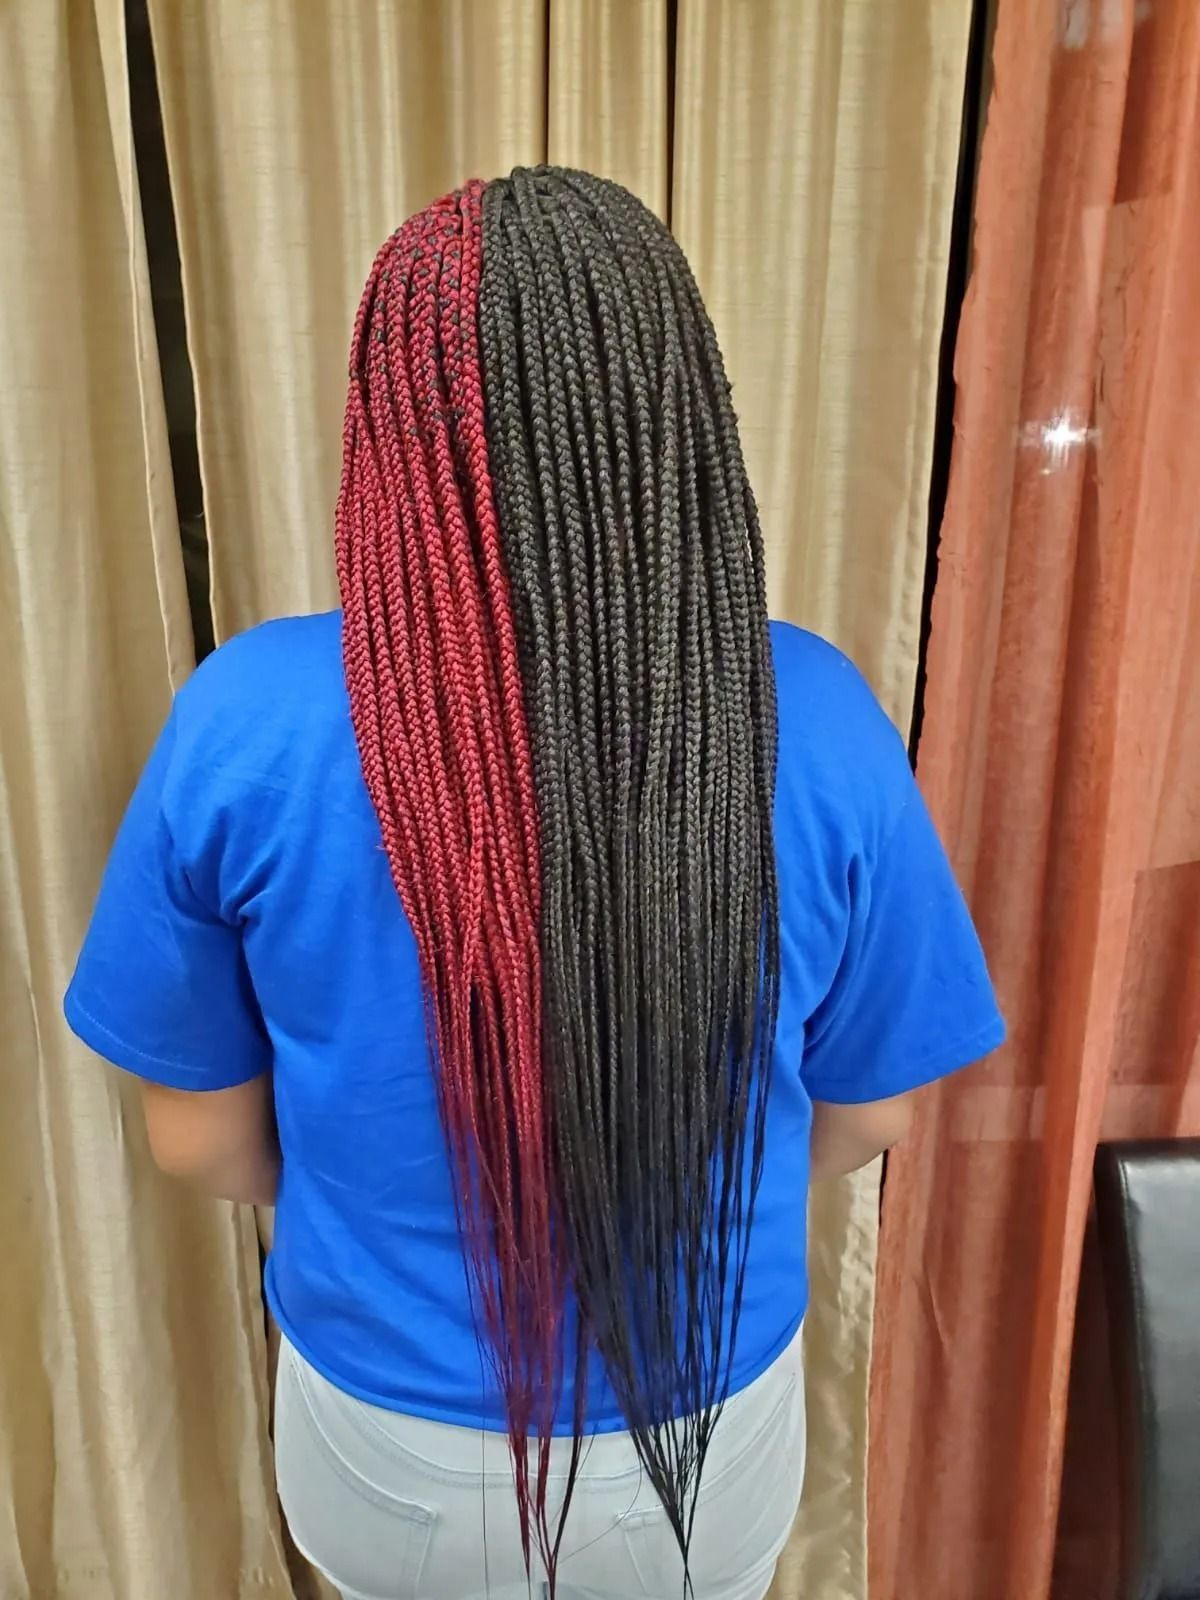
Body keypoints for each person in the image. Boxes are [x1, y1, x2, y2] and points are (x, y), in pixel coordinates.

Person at [65, 169, 1003, 1600]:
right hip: (700, 1431)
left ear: (388, 427)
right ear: (677, 416)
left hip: (388, 1444)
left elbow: (194, 1146)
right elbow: (870, 1110)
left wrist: (384, 1207)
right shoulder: (816, 718)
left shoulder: (245, 722)